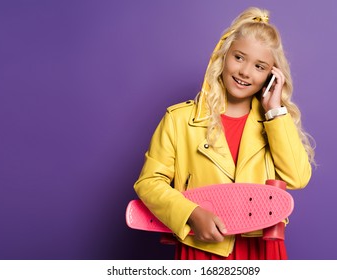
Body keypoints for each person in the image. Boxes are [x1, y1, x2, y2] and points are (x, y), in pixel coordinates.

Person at [133, 7, 315, 260]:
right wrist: (191, 214)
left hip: (261, 247)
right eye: (239, 58)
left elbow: (297, 178)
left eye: (259, 66)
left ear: (271, 77)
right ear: (222, 57)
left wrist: (275, 111)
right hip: (202, 246)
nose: (245, 72)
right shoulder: (179, 120)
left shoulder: (273, 122)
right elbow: (149, 182)